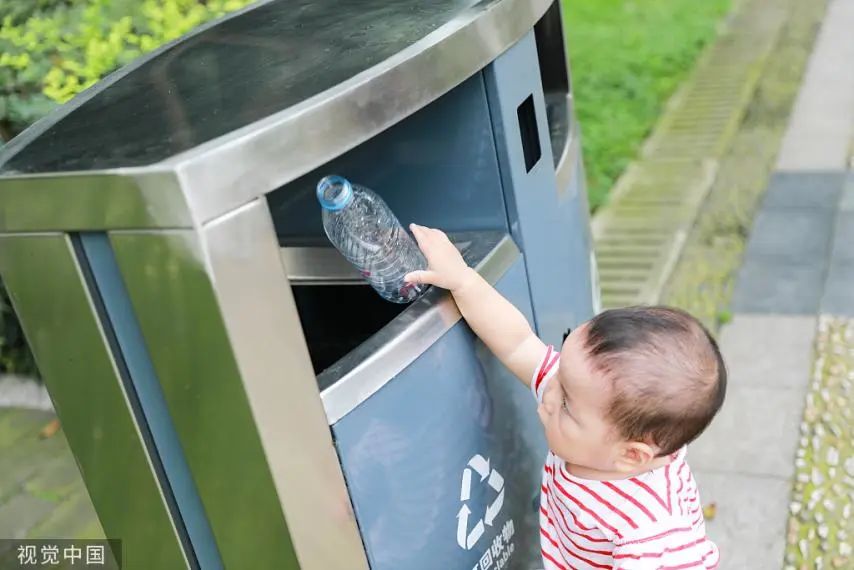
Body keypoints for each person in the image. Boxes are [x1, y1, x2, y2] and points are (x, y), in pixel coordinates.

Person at [404, 224, 725, 570]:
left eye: (567, 405)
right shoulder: (584, 402)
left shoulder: (651, 536)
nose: (548, 396)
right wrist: (463, 280)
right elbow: (519, 344)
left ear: (631, 455)